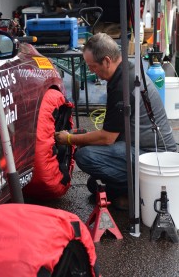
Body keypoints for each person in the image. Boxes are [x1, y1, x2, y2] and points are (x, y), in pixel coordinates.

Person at [55, 33, 177, 208]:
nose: (91, 71)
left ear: (106, 61)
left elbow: (107, 138)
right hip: (143, 148)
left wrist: (69, 139)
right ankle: (131, 191)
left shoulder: (123, 86)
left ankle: (139, 193)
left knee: (84, 155)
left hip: (154, 156)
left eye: (92, 66)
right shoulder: (127, 71)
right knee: (93, 184)